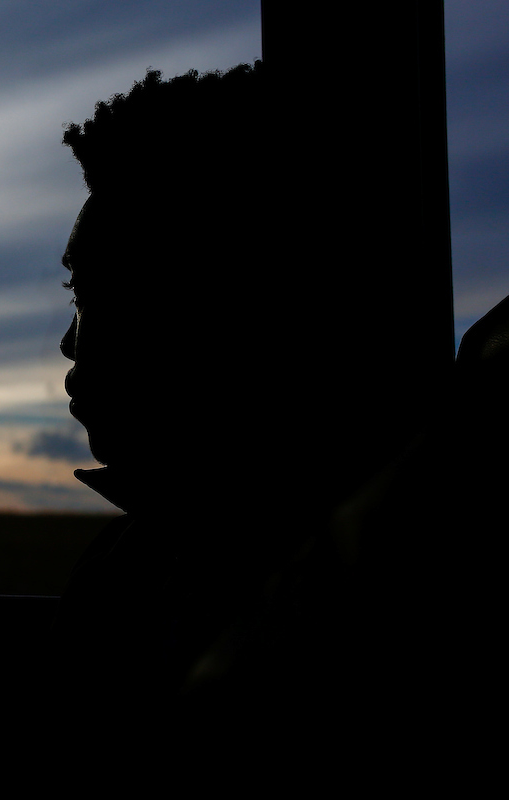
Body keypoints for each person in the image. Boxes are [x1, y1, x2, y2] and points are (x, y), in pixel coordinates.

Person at [47, 62, 505, 783]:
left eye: (95, 296)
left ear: (209, 312)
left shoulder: (384, 604)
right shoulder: (132, 566)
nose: (70, 343)